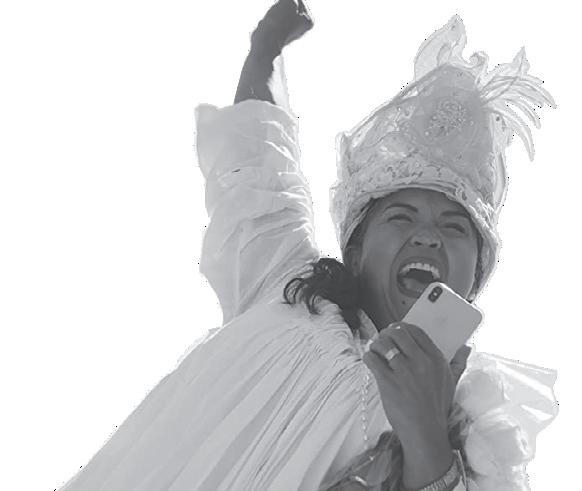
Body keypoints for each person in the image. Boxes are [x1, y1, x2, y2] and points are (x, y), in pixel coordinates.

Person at [58, 1, 558, 490]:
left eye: (454, 227)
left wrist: (426, 433)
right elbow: (261, 165)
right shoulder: (286, 283)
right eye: (401, 216)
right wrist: (265, 51)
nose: (427, 235)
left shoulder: (472, 425)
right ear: (356, 251)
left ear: (476, 276)